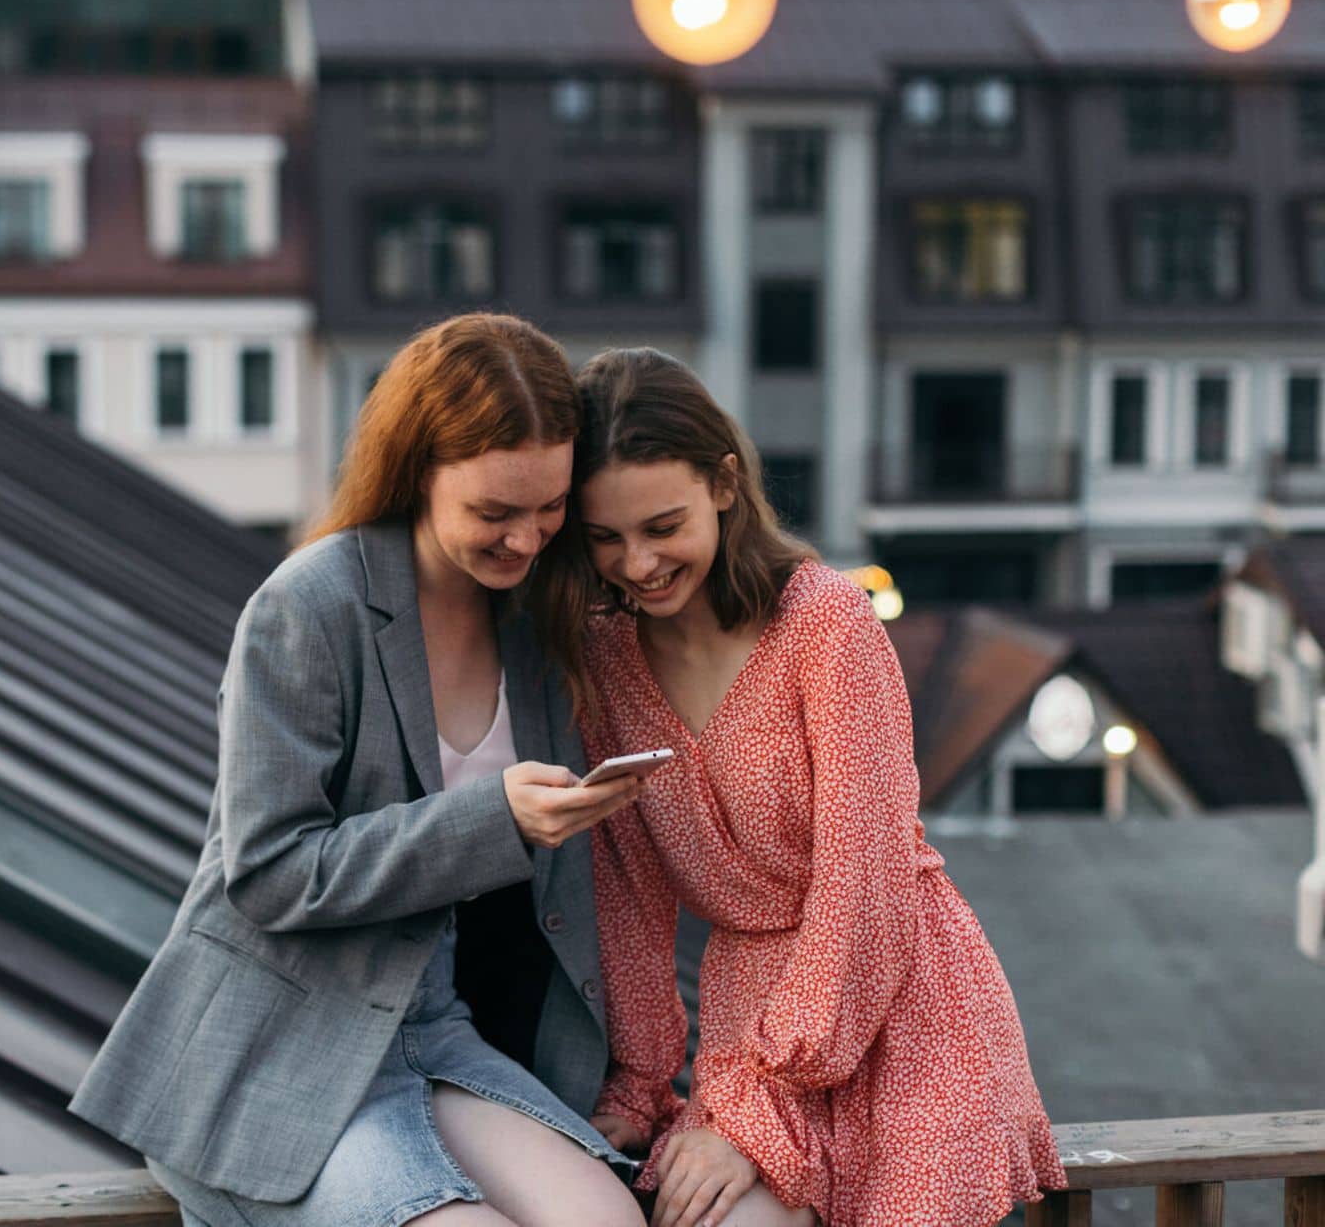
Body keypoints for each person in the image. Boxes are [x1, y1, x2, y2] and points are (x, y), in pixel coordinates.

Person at [70, 314, 647, 1227]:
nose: (528, 540)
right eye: (494, 513)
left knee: (607, 1219)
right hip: (282, 1050)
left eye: (549, 508)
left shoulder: (537, 620)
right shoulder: (311, 606)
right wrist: (491, 820)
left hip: (434, 1031)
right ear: (419, 470)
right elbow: (264, 870)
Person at [531, 348, 1068, 1227]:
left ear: (726, 486)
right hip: (752, 1020)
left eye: (663, 526)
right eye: (605, 537)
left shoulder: (825, 621)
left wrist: (753, 1105)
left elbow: (866, 881)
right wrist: (638, 1080)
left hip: (905, 1005)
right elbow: (626, 894)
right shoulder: (604, 656)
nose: (637, 563)